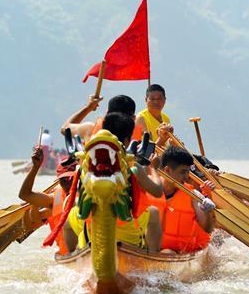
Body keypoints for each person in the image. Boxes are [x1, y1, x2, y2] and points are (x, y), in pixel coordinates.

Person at [63, 112, 164, 251]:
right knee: (153, 213)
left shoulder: (87, 160)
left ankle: (72, 256)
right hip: (127, 223)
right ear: (128, 140)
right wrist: (154, 169)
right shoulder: (133, 164)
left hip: (91, 221)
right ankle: (153, 258)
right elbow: (158, 191)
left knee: (67, 222)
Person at [144, 146, 216, 253]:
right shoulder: (147, 184)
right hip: (145, 248)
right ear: (167, 170)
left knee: (167, 252)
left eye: (188, 172)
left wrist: (209, 212)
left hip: (175, 252)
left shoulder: (193, 195)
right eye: (183, 172)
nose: (187, 177)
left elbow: (208, 228)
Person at [60, 94, 141, 143]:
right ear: (133, 118)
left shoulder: (90, 129)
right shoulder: (139, 138)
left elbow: (64, 128)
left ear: (106, 113)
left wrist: (88, 108)